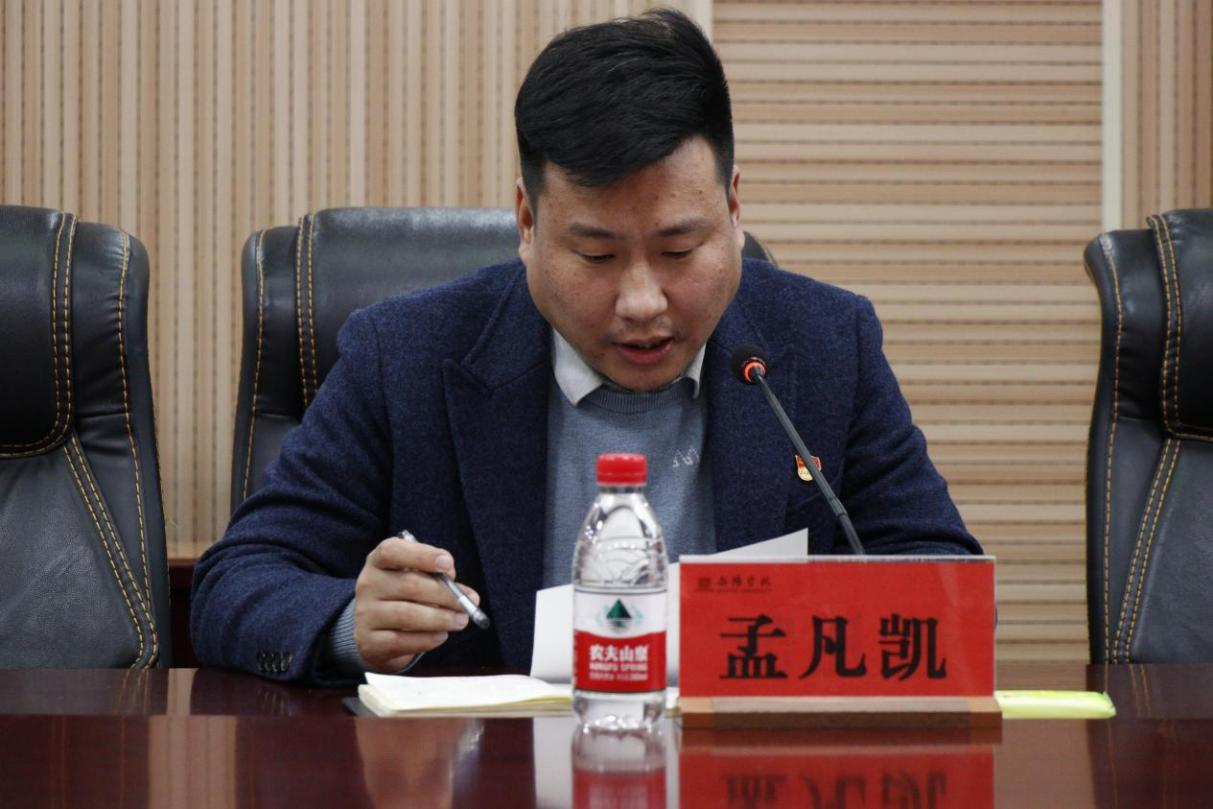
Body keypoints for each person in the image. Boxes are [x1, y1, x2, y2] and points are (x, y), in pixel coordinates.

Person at [191, 9, 981, 685]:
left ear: (734, 209)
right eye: (597, 255)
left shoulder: (826, 341)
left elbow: (943, 578)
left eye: (678, 249)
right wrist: (350, 621)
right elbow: (236, 583)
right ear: (527, 223)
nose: (642, 302)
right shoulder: (405, 356)